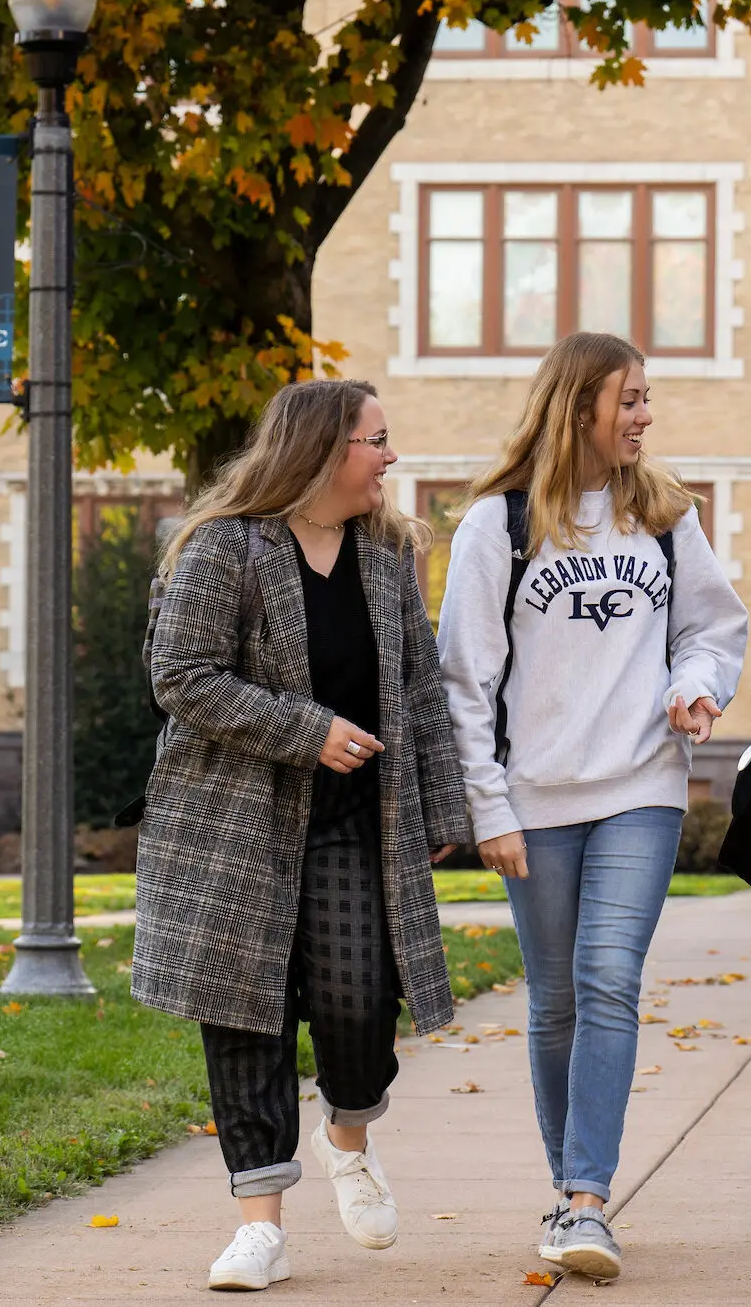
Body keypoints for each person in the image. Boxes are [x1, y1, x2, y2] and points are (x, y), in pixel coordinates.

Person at [136, 379, 474, 1293]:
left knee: (361, 1006)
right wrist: (306, 728)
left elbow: (417, 689)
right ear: (323, 451)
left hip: (357, 825)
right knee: (246, 1021)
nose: (390, 456)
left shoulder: (387, 553)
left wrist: (445, 808)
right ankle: (260, 1227)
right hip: (232, 828)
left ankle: (348, 1137)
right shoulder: (222, 548)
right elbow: (182, 675)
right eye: (377, 439)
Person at [437, 331, 750, 1281]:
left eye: (648, 398)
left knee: (609, 976)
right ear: (579, 408)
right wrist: (487, 806)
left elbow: (712, 625)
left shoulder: (663, 514)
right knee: (558, 998)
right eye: (632, 399)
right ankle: (568, 1183)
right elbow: (464, 676)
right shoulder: (498, 527)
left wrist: (693, 684)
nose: (646, 416)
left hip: (640, 787)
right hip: (532, 795)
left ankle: (584, 1202)